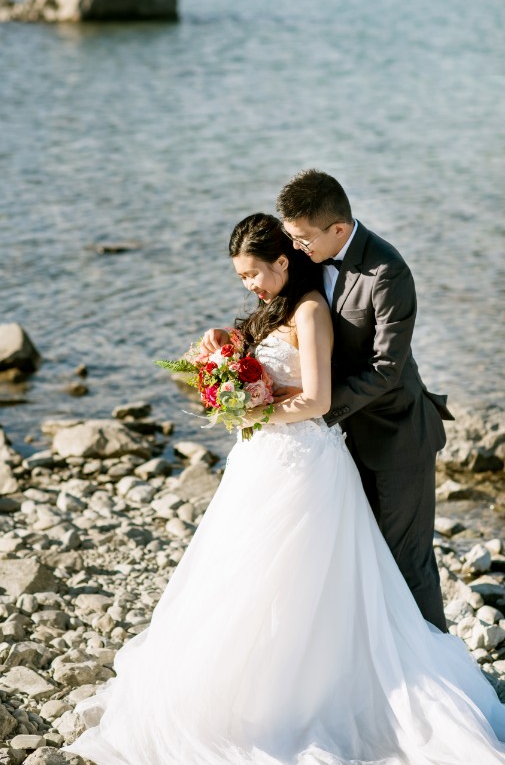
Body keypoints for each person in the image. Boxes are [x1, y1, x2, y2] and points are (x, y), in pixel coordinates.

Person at [66, 213, 505, 765]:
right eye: (240, 278)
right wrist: (221, 348)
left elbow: (319, 400)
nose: (248, 285)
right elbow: (258, 365)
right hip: (261, 459)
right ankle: (242, 688)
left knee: (303, 577)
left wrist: (255, 406)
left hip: (306, 462)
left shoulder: (311, 310)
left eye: (254, 273)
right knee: (244, 571)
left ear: (282, 262)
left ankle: (309, 693)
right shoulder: (270, 309)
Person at [272, 170, 451, 632]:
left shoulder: (389, 272)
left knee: (407, 563)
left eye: (302, 238)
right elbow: (281, 311)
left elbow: (386, 371)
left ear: (337, 229)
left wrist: (316, 407)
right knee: (357, 561)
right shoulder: (312, 255)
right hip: (340, 442)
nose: (295, 249)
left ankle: (443, 674)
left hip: (398, 437)